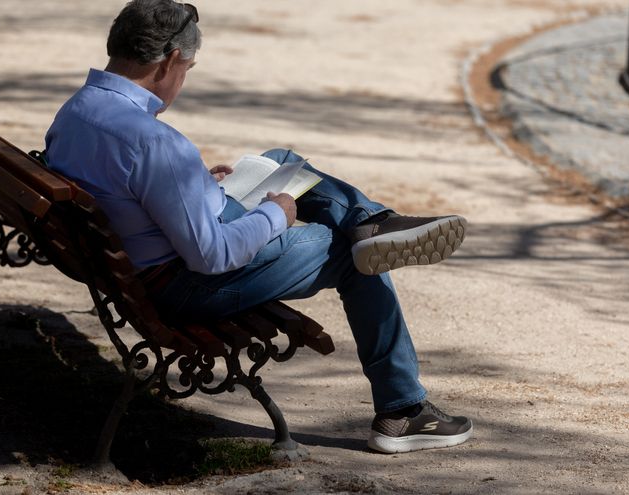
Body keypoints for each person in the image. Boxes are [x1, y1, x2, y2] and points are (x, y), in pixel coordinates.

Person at [45, 0, 472, 454]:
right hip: (185, 284)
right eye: (187, 67)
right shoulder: (154, 141)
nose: (183, 78)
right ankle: (402, 411)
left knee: (281, 162)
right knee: (352, 255)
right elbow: (211, 256)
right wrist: (277, 215)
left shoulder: (78, 111)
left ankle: (372, 222)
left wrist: (195, 189)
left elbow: (126, 191)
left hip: (142, 262)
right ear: (170, 60)